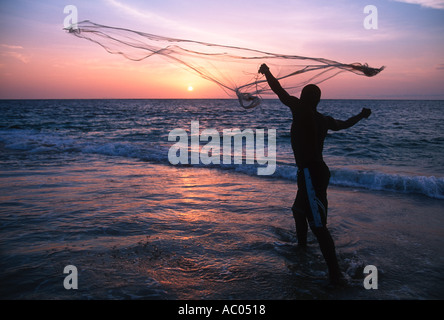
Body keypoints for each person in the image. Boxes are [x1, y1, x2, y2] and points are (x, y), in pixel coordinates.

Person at [258, 63, 371, 286]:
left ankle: (336, 275)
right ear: (317, 100)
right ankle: (302, 249)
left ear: (304, 98)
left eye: (302, 95)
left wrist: (267, 72)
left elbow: (278, 90)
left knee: (318, 225)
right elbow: (344, 124)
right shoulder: (324, 120)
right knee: (299, 211)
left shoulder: (300, 110)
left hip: (312, 174)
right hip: (311, 173)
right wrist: (361, 115)